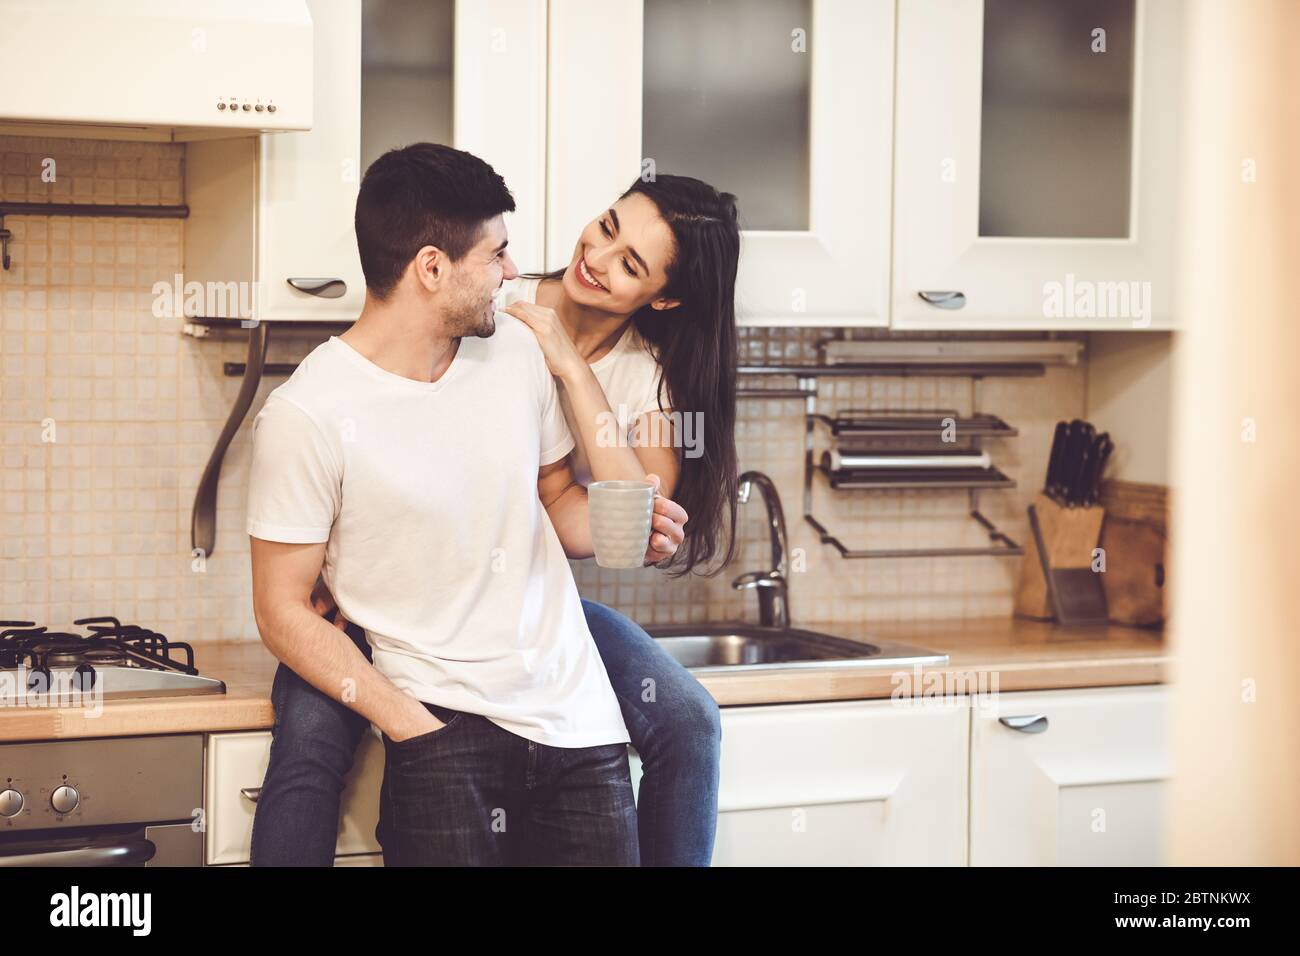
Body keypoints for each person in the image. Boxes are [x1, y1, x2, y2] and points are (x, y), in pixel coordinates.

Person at [246, 143, 688, 865]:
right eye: (498, 254)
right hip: (443, 732)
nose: (517, 274)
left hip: (578, 728)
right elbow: (282, 610)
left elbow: (556, 501)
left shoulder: (515, 353)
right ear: (431, 268)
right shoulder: (307, 414)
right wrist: (409, 725)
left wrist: (626, 524)